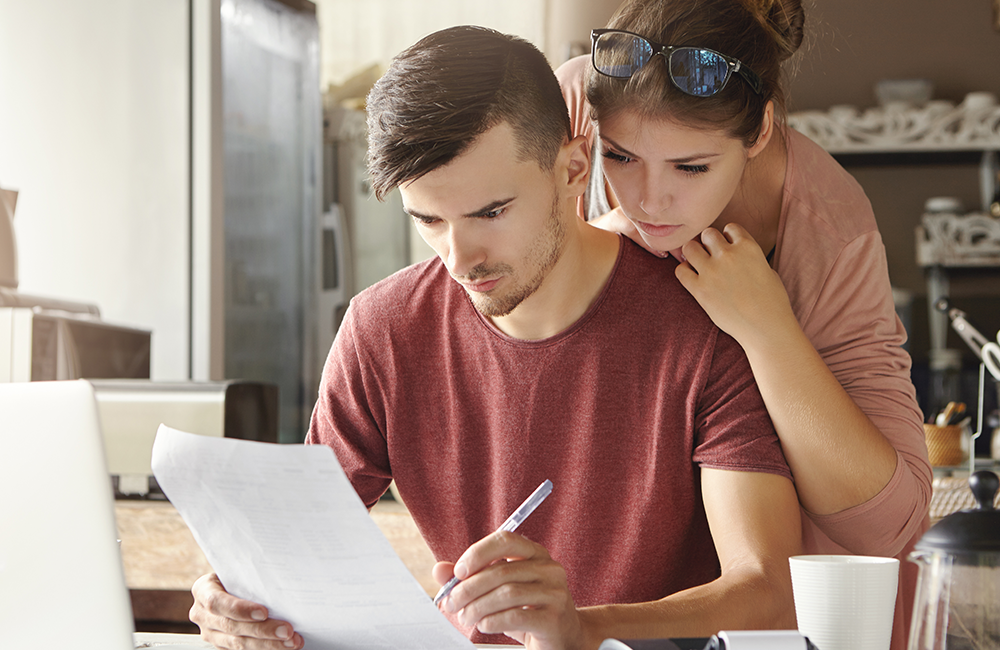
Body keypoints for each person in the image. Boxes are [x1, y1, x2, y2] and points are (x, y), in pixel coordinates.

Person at [189, 25, 803, 650]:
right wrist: (239, 595)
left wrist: (581, 629)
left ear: (572, 169)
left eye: (491, 213)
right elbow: (297, 547)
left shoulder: (704, 324)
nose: (461, 259)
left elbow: (769, 591)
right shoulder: (382, 330)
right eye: (428, 219)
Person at [554, 1, 932, 648]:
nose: (647, 199)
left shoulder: (827, 220)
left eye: (691, 167)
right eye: (620, 157)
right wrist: (595, 243)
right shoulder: (578, 101)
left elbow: (890, 526)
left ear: (758, 133)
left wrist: (766, 328)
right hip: (609, 562)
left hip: (772, 609)